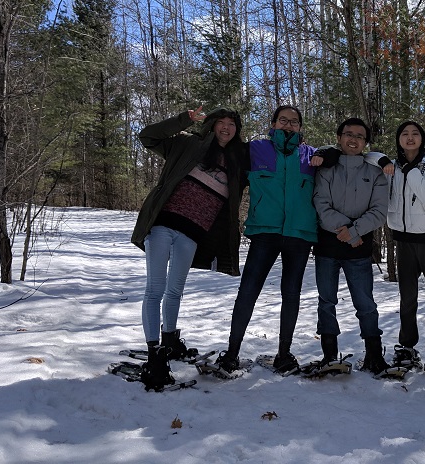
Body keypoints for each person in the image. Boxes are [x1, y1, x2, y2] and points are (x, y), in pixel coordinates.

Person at [210, 105, 332, 378]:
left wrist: (327, 153)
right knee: (248, 292)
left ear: (300, 127)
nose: (288, 125)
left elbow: (343, 155)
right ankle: (231, 354)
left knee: (291, 295)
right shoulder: (255, 150)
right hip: (265, 233)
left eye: (294, 122)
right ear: (274, 123)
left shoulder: (312, 156)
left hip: (299, 236)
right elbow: (223, 151)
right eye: (283, 120)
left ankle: (284, 354)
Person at [132, 106, 247, 390]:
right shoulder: (187, 144)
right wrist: (183, 119)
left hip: (192, 234)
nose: (225, 127)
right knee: (155, 289)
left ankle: (169, 341)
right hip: (162, 225)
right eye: (220, 122)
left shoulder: (238, 160)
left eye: (231, 123)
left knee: (175, 290)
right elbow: (147, 136)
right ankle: (154, 354)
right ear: (210, 124)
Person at [366, 122, 425, 373]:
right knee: (407, 299)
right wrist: (385, 159)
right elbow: (368, 156)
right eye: (404, 134)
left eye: (415, 134)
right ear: (398, 139)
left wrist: (411, 170)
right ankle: (407, 346)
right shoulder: (392, 165)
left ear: (422, 139)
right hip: (404, 241)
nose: (409, 138)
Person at [310, 117, 395, 378]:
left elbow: (380, 211)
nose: (353, 139)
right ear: (339, 137)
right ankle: (328, 353)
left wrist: (355, 232)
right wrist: (348, 231)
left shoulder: (376, 173)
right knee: (326, 302)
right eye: (348, 134)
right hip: (327, 247)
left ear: (366, 142)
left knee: (366, 303)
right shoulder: (325, 169)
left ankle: (373, 354)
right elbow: (320, 204)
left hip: (359, 248)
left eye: (360, 136)